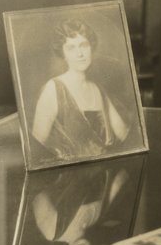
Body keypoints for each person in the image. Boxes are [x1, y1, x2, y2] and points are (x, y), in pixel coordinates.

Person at [31, 19, 131, 159]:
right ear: (63, 54)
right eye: (71, 48)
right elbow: (36, 145)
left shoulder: (98, 89)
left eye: (84, 45)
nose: (80, 54)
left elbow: (124, 134)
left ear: (91, 47)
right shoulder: (53, 89)